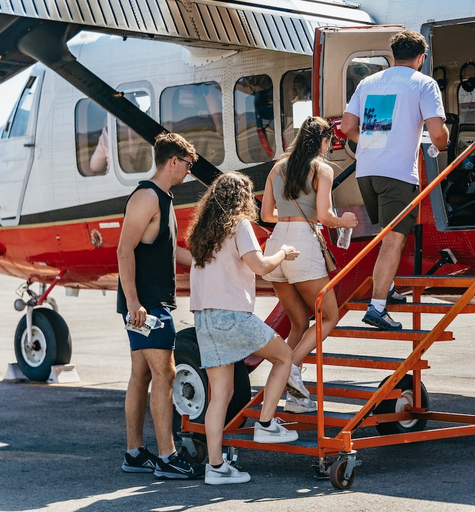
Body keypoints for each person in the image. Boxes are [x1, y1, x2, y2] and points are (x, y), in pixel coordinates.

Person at [187, 172, 302, 485]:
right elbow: (261, 266)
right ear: (242, 198)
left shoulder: (202, 232)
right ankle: (265, 424)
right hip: (232, 316)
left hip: (204, 318)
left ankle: (216, 467)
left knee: (219, 396)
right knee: (284, 356)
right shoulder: (240, 225)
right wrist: (285, 253)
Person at [341, 30, 449, 330]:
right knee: (394, 240)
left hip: (367, 170)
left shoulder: (369, 82)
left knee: (385, 235)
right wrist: (443, 145)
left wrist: (368, 143)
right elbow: (438, 133)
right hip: (397, 174)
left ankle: (385, 288)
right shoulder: (424, 84)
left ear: (393, 55)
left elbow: (348, 125)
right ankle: (377, 308)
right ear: (420, 57)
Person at [116, 132, 203, 479]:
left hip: (149, 300)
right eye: (187, 164)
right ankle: (167, 457)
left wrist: (203, 260)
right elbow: (124, 249)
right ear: (172, 162)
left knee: (141, 374)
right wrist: (134, 301)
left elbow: (167, 252)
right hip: (147, 303)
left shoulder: (163, 198)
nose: (188, 171)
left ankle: (135, 453)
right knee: (165, 374)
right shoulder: (146, 197)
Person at [260, 117, 358, 413]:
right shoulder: (322, 169)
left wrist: (290, 218)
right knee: (329, 315)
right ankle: (290, 366)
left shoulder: (277, 167)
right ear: (323, 141)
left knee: (299, 322)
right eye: (330, 141)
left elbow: (266, 214)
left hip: (276, 245)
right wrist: (345, 221)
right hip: (302, 245)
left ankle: (294, 396)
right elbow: (325, 216)